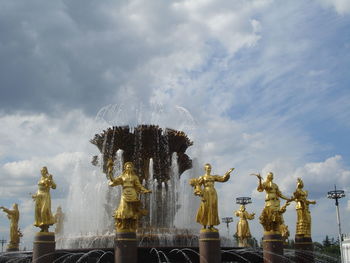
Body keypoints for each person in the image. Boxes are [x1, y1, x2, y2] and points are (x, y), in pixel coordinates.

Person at [108, 160, 152, 232]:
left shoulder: (135, 177)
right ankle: (123, 226)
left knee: (132, 209)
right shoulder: (122, 176)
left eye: (130, 167)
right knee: (123, 209)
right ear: (125, 168)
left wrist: (145, 190)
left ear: (132, 168)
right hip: (125, 193)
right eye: (128, 167)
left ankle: (131, 226)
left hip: (132, 193)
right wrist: (110, 172)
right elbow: (114, 181)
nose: (129, 168)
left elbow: (139, 186)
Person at [190, 163, 234, 231]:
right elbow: (197, 184)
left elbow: (222, 179)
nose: (209, 169)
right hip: (206, 193)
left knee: (213, 208)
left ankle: (211, 225)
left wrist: (227, 173)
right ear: (205, 169)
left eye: (210, 168)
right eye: (208, 168)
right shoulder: (202, 177)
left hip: (213, 193)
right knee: (205, 208)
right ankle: (204, 226)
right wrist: (199, 193)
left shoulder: (213, 177)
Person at [32, 166, 56, 232]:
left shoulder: (48, 178)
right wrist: (35, 195)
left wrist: (51, 180)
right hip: (39, 196)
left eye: (44, 171)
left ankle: (46, 226)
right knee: (38, 212)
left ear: (46, 171)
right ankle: (42, 227)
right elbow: (39, 189)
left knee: (44, 211)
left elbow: (54, 187)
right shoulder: (41, 179)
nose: (42, 172)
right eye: (41, 171)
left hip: (45, 196)